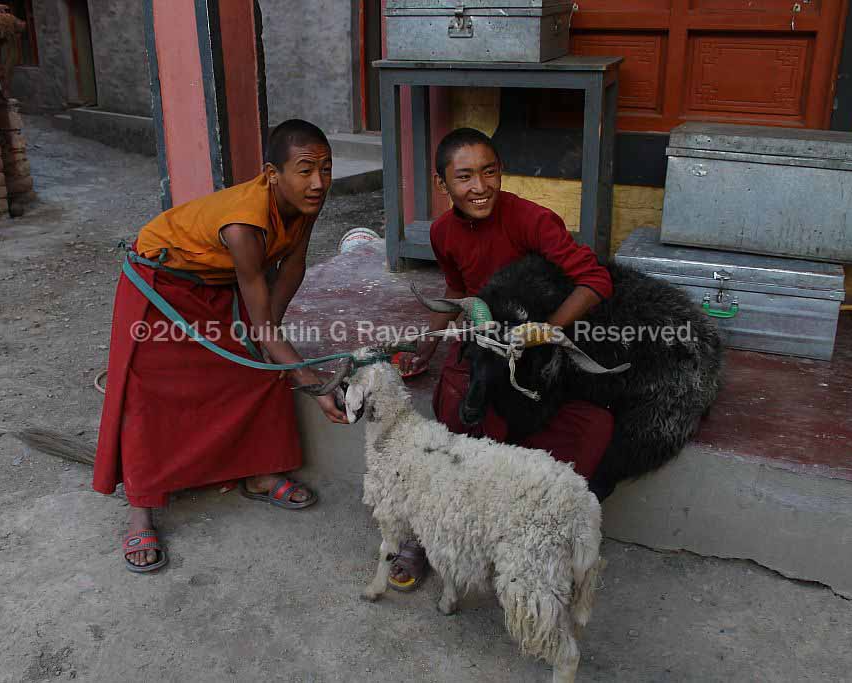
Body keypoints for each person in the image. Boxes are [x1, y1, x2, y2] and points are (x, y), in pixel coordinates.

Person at [93, 119, 349, 573]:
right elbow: (260, 309)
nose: (318, 182)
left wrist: (272, 333)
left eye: (326, 169)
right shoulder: (243, 226)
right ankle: (142, 506)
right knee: (148, 393)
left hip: (214, 283)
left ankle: (260, 471)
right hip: (161, 285)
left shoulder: (308, 200)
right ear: (273, 175)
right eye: (306, 170)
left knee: (257, 367)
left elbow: (293, 267)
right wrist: (308, 378)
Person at [392, 127, 615, 592]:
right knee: (455, 413)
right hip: (483, 342)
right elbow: (456, 292)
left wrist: (545, 331)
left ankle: (527, 529)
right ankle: (425, 533)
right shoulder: (440, 232)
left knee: (592, 428)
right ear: (442, 185)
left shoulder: (533, 220)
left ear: (501, 171)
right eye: (465, 177)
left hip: (539, 348)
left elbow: (594, 279)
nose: (480, 187)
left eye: (489, 172)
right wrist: (429, 346)